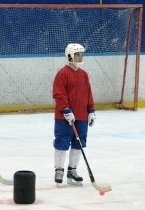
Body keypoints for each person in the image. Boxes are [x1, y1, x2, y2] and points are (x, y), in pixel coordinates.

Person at [52, 43, 96, 186]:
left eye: (82, 54)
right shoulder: (62, 73)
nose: (80, 57)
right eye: (78, 54)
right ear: (70, 55)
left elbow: (88, 94)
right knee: (62, 142)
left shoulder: (84, 75)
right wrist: (65, 109)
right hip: (64, 117)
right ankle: (59, 170)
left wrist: (91, 110)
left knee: (79, 143)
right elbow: (59, 94)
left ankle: (72, 170)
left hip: (81, 116)